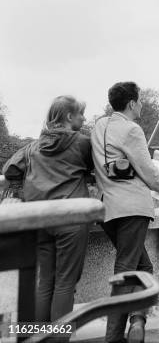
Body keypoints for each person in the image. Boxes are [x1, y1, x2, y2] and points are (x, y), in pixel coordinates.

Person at [91, 82, 159, 343]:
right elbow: (148, 170)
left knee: (143, 266)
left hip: (107, 208)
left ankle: (137, 321)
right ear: (131, 103)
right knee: (127, 269)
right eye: (140, 101)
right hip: (132, 208)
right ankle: (114, 336)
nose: (141, 105)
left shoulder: (99, 126)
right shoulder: (131, 129)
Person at [1, 95, 93, 323]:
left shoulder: (33, 146)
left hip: (41, 217)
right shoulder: (81, 142)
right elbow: (98, 167)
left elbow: (10, 167)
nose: (83, 118)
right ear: (69, 116)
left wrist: (15, 192)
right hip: (71, 218)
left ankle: (39, 336)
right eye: (81, 113)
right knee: (65, 283)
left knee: (45, 281)